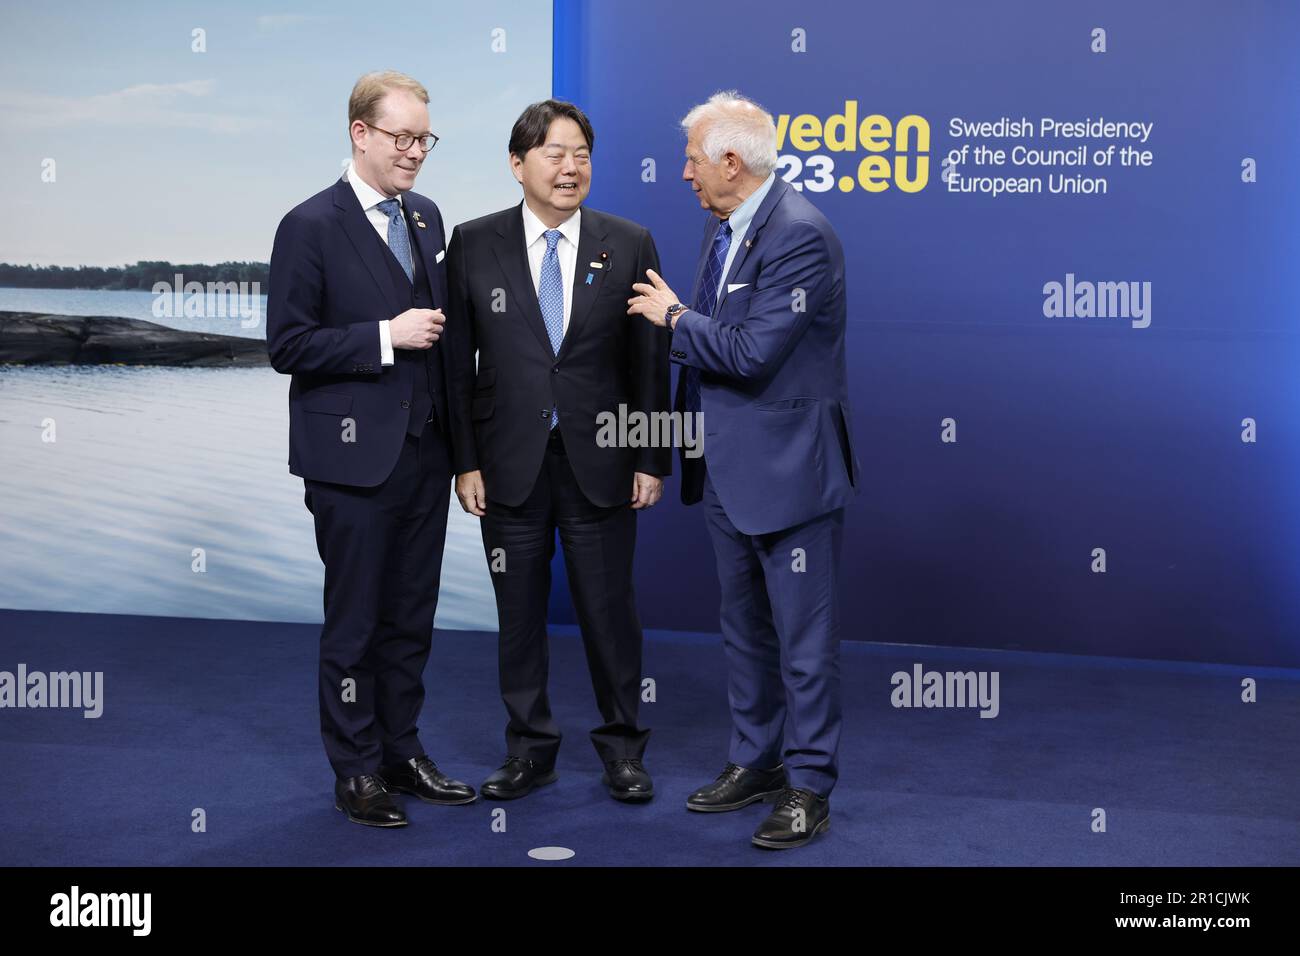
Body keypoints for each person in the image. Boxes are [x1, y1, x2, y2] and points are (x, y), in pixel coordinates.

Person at [627, 90, 860, 848]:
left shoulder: (800, 236)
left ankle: (808, 785)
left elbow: (753, 352)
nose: (683, 172)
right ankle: (753, 762)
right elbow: (720, 340)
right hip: (725, 469)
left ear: (731, 161)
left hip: (789, 475)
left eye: (692, 157)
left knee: (803, 642)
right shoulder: (723, 225)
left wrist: (672, 319)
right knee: (745, 632)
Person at [444, 99, 670, 803]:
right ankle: (530, 750)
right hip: (505, 462)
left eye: (581, 154)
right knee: (518, 614)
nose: (570, 167)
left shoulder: (629, 241)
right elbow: (455, 365)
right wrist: (464, 460)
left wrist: (651, 456)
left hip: (602, 460)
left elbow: (649, 364)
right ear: (518, 165)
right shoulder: (472, 242)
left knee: (610, 611)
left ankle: (623, 751)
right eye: (553, 153)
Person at [267, 70, 476, 827]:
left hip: (425, 457)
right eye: (403, 138)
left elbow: (449, 345)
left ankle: (402, 751)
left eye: (426, 138)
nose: (417, 152)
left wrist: (465, 455)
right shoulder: (309, 225)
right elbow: (287, 345)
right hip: (350, 464)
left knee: (411, 616)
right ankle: (355, 770)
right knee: (354, 622)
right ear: (360, 133)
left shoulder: (425, 217)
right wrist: (385, 338)